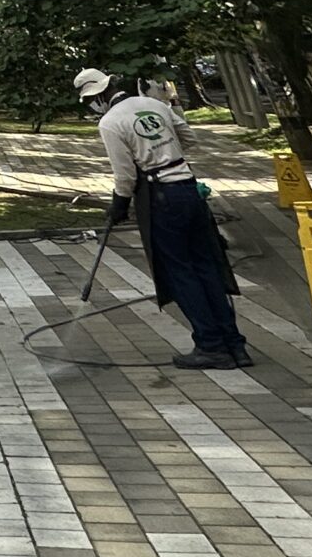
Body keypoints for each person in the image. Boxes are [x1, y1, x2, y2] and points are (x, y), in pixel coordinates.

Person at [76, 67, 251, 369]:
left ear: (99, 96)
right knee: (207, 266)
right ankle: (235, 345)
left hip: (162, 198)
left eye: (90, 100)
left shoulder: (111, 122)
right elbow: (189, 139)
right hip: (189, 190)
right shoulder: (154, 104)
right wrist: (165, 153)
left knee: (181, 272)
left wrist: (119, 204)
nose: (92, 106)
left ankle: (211, 346)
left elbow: (125, 175)